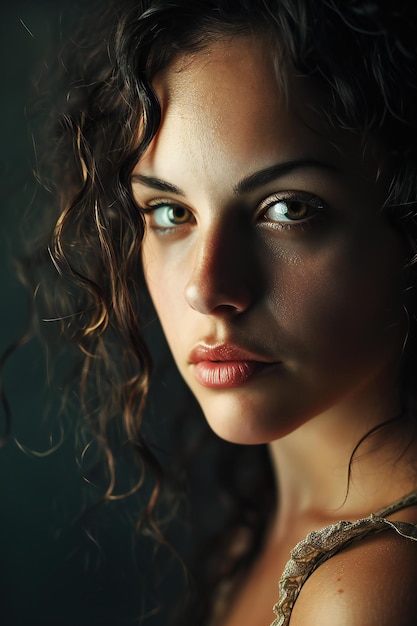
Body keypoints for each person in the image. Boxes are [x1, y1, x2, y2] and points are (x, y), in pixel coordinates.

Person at [27, 0, 417, 624]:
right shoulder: (266, 524)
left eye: (288, 209)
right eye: (169, 213)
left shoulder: (368, 592)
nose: (206, 290)